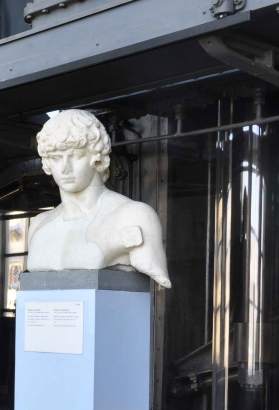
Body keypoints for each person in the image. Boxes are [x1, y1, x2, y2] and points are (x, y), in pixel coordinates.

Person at [26, 109, 171, 288]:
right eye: (56, 158)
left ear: (97, 157)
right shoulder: (39, 225)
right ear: (47, 163)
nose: (65, 167)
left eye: (76, 155)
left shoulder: (134, 216)